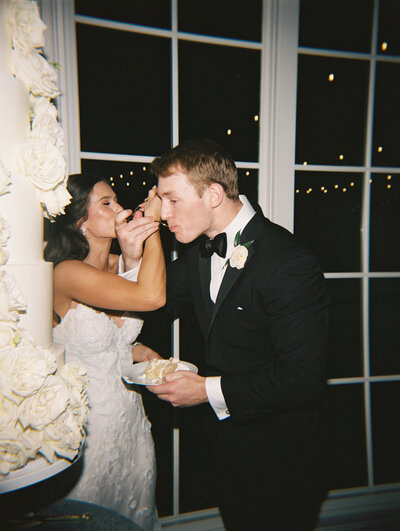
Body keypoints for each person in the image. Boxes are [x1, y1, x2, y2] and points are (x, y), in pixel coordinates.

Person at [138, 139, 330, 530]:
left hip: (284, 460)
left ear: (212, 194)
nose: (164, 214)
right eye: (162, 201)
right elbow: (149, 301)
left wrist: (203, 390)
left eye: (172, 200)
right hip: (227, 450)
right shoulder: (195, 252)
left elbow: (303, 379)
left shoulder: (289, 262)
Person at [44, 173, 165, 531]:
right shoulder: (65, 273)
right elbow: (152, 296)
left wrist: (143, 353)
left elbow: (116, 343)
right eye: (106, 203)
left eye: (117, 200)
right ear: (79, 218)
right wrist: (151, 226)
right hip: (87, 432)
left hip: (130, 423)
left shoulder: (118, 263)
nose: (120, 209)